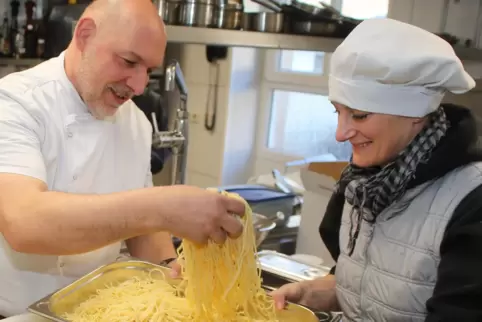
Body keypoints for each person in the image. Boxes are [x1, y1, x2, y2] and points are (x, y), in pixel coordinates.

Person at [0, 0, 244, 317]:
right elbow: (25, 224)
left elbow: (143, 231)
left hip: (95, 311)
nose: (140, 86)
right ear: (85, 35)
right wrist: (163, 207)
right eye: (129, 61)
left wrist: (170, 267)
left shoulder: (136, 124)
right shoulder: (15, 102)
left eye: (149, 71)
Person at [272, 18, 482, 321]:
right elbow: (367, 288)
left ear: (414, 114)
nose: (340, 133)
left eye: (359, 115)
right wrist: (313, 294)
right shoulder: (363, 182)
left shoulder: (471, 202)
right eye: (338, 111)